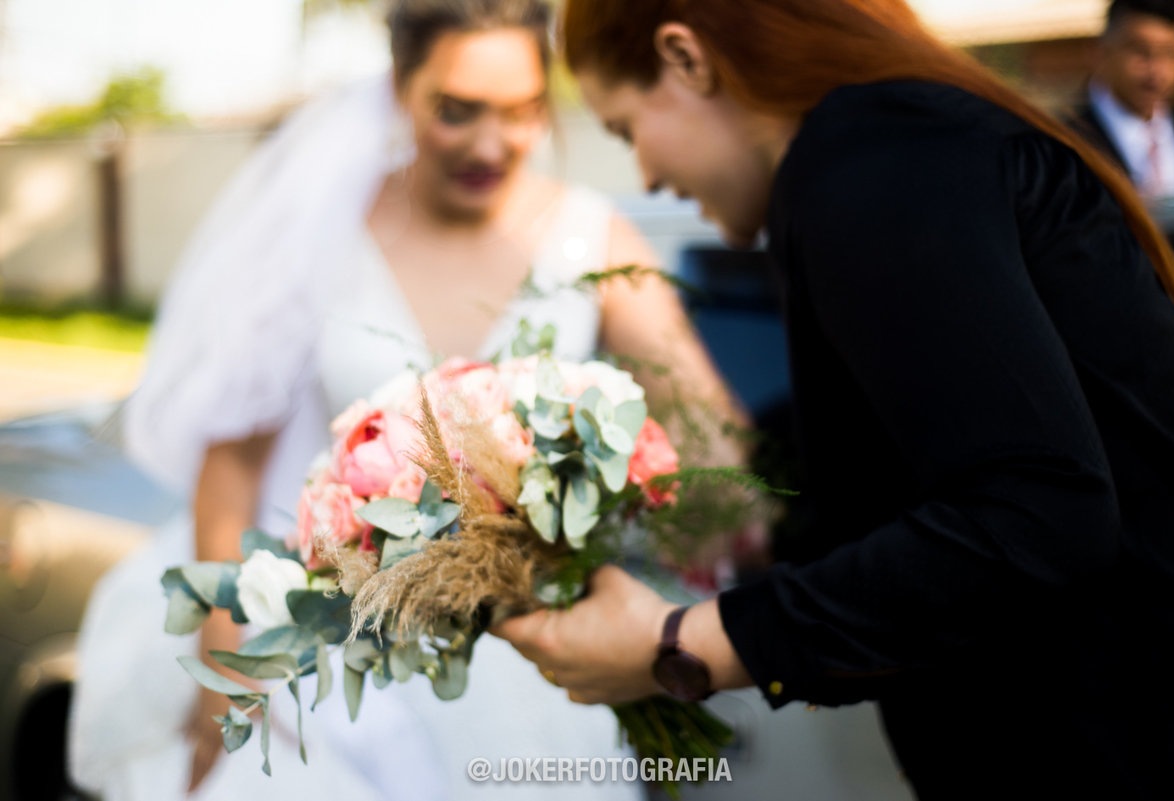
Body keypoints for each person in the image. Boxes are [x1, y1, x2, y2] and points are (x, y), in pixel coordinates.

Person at [492, 0, 1174, 798]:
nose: (647, 176)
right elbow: (930, 457)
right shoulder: (905, 144)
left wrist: (679, 643)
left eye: (625, 130)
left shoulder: (869, 168)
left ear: (686, 59)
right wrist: (751, 508)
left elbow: (1038, 512)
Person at [67, 1, 745, 799]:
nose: (491, 144)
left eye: (523, 110)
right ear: (398, 86)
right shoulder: (320, 233)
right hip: (336, 661)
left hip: (528, 664)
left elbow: (715, 440)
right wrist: (226, 665)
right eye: (456, 110)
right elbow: (232, 470)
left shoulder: (594, 239)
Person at [1068, 0, 1174, 197]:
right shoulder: (1066, 143)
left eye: (1171, 53)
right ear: (1099, 52)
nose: (1157, 72)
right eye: (1141, 52)